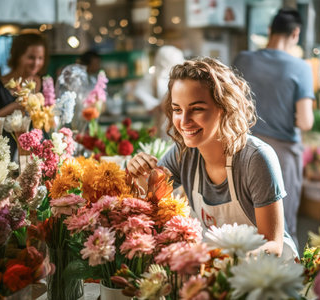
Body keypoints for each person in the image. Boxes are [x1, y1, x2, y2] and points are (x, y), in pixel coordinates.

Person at [127, 57, 298, 258]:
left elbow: (272, 246)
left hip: (265, 273)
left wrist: (227, 265)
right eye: (177, 110)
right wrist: (138, 175)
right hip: (215, 270)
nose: (184, 121)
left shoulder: (256, 159)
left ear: (224, 107)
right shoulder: (182, 154)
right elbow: (149, 207)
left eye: (197, 109)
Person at [233, 8, 315, 246]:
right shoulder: (301, 68)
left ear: (270, 31)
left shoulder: (243, 59)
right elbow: (305, 121)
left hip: (242, 148)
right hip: (282, 155)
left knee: (244, 218)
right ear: (295, 33)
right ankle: (286, 280)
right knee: (282, 226)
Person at [0, 32, 48, 156]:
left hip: (37, 161)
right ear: (17, 56)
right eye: (31, 57)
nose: (36, 63)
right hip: (2, 163)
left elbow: (50, 127)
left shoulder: (46, 86)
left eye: (40, 58)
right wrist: (14, 107)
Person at [134, 45, 184, 139]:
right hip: (164, 121)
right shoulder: (155, 76)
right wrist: (156, 104)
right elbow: (139, 92)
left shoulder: (182, 76)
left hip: (180, 121)